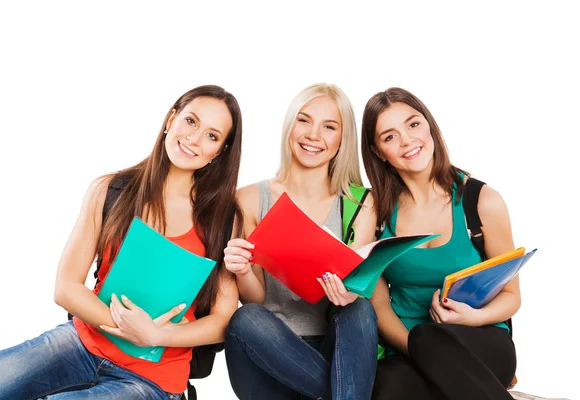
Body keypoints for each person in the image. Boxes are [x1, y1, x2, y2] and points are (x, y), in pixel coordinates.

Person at [0, 85, 243, 400]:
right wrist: (130, 328)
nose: (194, 139)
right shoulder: (110, 190)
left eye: (212, 136)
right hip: (82, 343)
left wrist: (156, 334)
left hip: (152, 378)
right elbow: (66, 288)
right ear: (171, 118)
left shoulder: (223, 219)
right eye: (191, 121)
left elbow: (222, 320)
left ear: (220, 151)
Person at [223, 83, 379, 400]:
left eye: (329, 127)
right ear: (290, 125)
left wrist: (348, 294)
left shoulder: (360, 205)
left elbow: (360, 292)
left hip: (336, 350)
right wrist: (241, 271)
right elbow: (254, 302)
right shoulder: (251, 200)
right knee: (246, 318)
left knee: (359, 308)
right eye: (304, 120)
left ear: (342, 139)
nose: (313, 135)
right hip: (268, 354)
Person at [362, 87, 519, 400]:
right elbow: (377, 305)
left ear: (429, 126)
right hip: (408, 346)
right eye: (390, 136)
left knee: (429, 340)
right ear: (379, 151)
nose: (407, 140)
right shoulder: (375, 213)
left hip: (481, 340)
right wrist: (422, 353)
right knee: (387, 386)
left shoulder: (482, 202)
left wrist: (472, 317)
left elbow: (512, 296)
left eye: (413, 124)